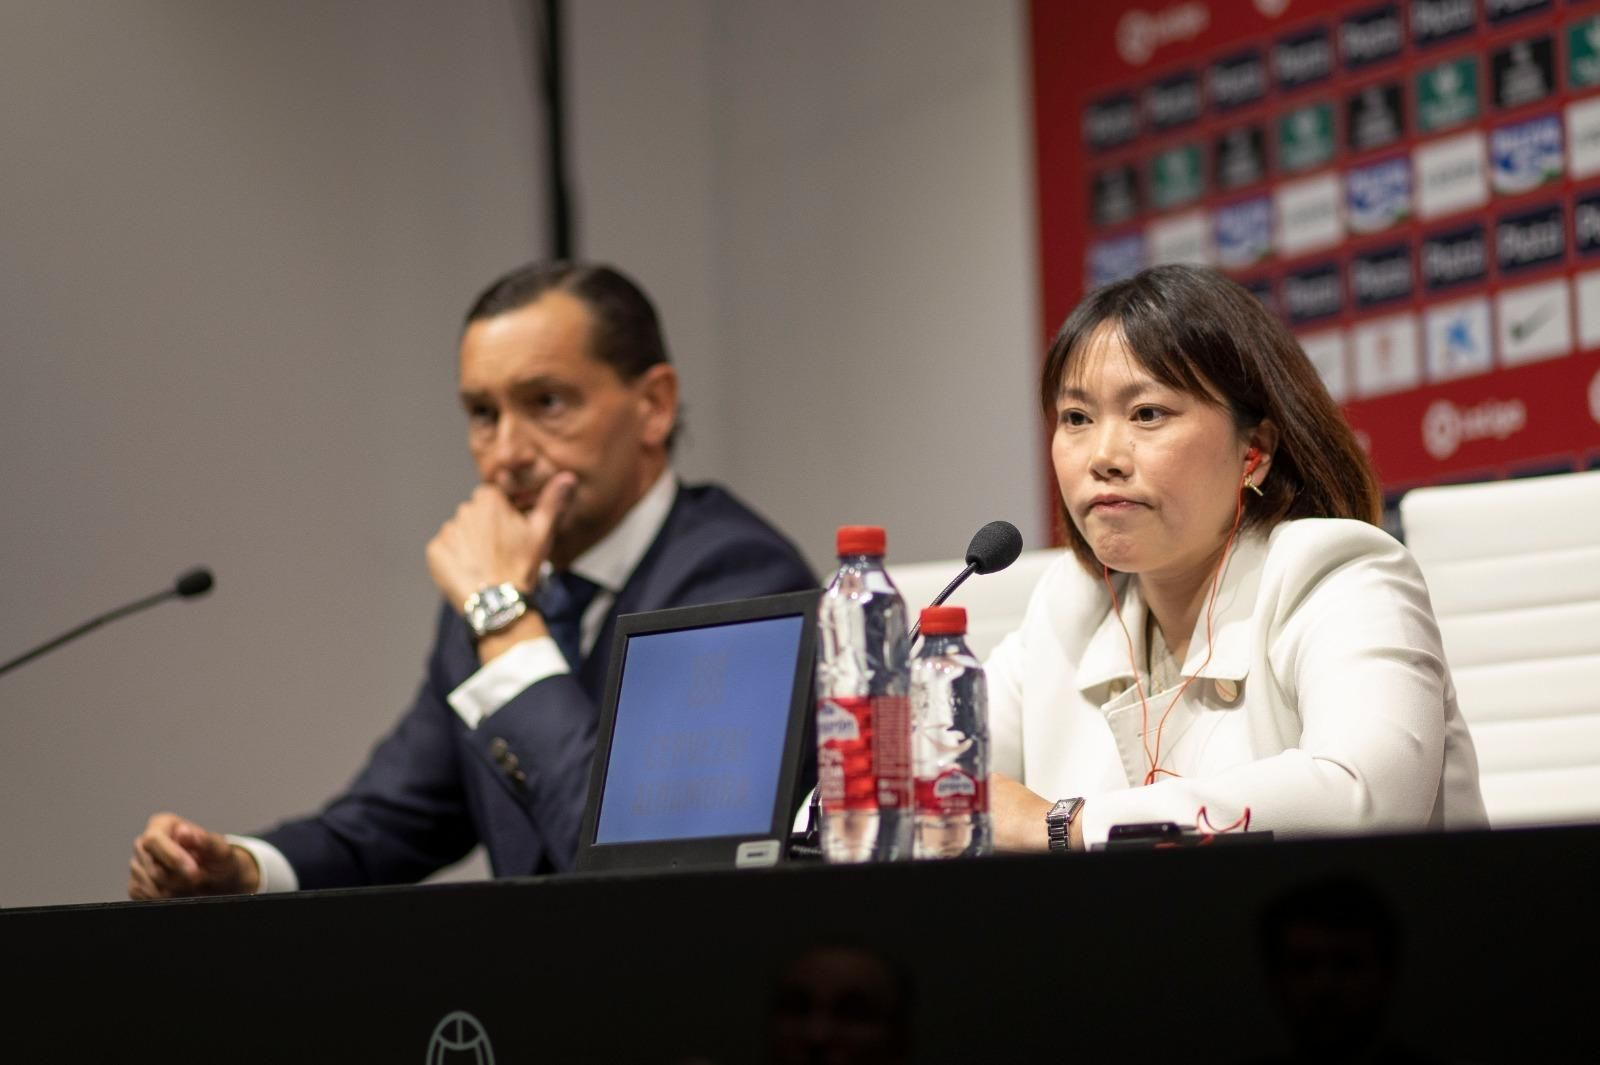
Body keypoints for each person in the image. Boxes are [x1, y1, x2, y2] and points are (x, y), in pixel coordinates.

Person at [127, 262, 816, 898]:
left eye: (547, 402)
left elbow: (646, 869)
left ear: (655, 405)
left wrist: (505, 623)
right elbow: (391, 821)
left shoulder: (737, 578)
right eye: (483, 414)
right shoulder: (504, 593)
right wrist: (241, 867)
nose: (507, 454)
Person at [987, 264, 1487, 852]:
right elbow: (926, 779)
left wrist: (1063, 824)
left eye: (1147, 414)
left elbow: (1364, 795)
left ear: (1254, 451)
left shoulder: (1339, 577)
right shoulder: (1070, 603)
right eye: (1076, 418)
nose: (1102, 455)